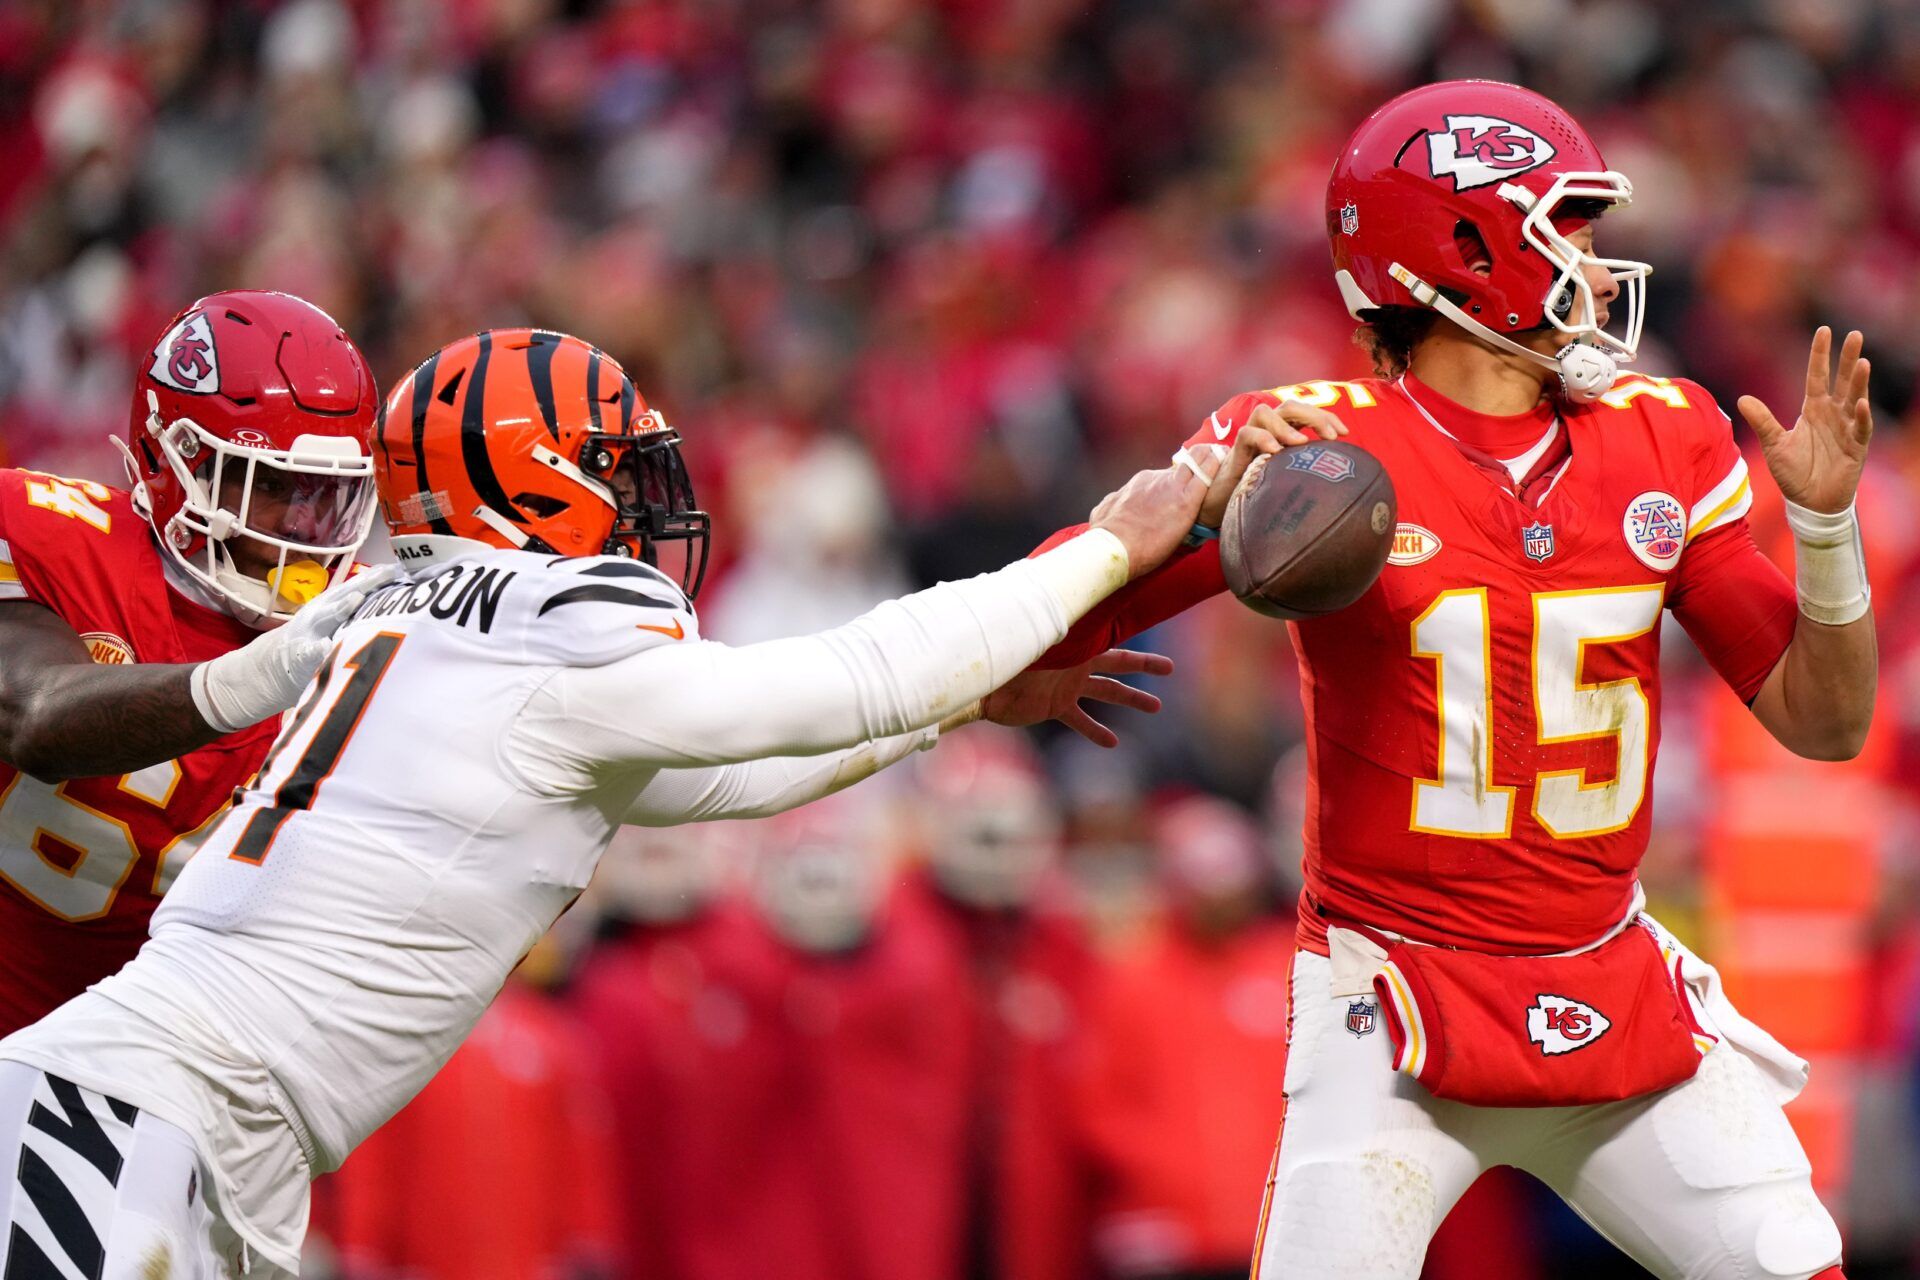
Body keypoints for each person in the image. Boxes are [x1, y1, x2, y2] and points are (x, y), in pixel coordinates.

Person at [0, 326, 1210, 1278]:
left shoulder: (437, 627)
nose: (646, 504)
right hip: (139, 1109)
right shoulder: (539, 642)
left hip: (193, 1117)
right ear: (531, 481)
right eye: (615, 470)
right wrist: (1099, 552)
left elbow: (732, 773)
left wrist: (967, 706)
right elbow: (849, 677)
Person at [1027, 81, 1874, 1279]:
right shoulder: (1312, 443)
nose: (1590, 261)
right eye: (1562, 229)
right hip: (1394, 997)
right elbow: (1070, 596)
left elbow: (1827, 721)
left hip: (1613, 986)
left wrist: (1826, 529)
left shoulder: (1664, 433)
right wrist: (1082, 603)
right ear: (1461, 253)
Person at [0, 290, 388, 1036]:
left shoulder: (368, 628)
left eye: (331, 497)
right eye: (273, 485)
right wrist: (258, 677)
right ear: (172, 457)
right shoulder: (48, 538)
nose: (304, 529)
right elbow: (35, 717)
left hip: (169, 1074)